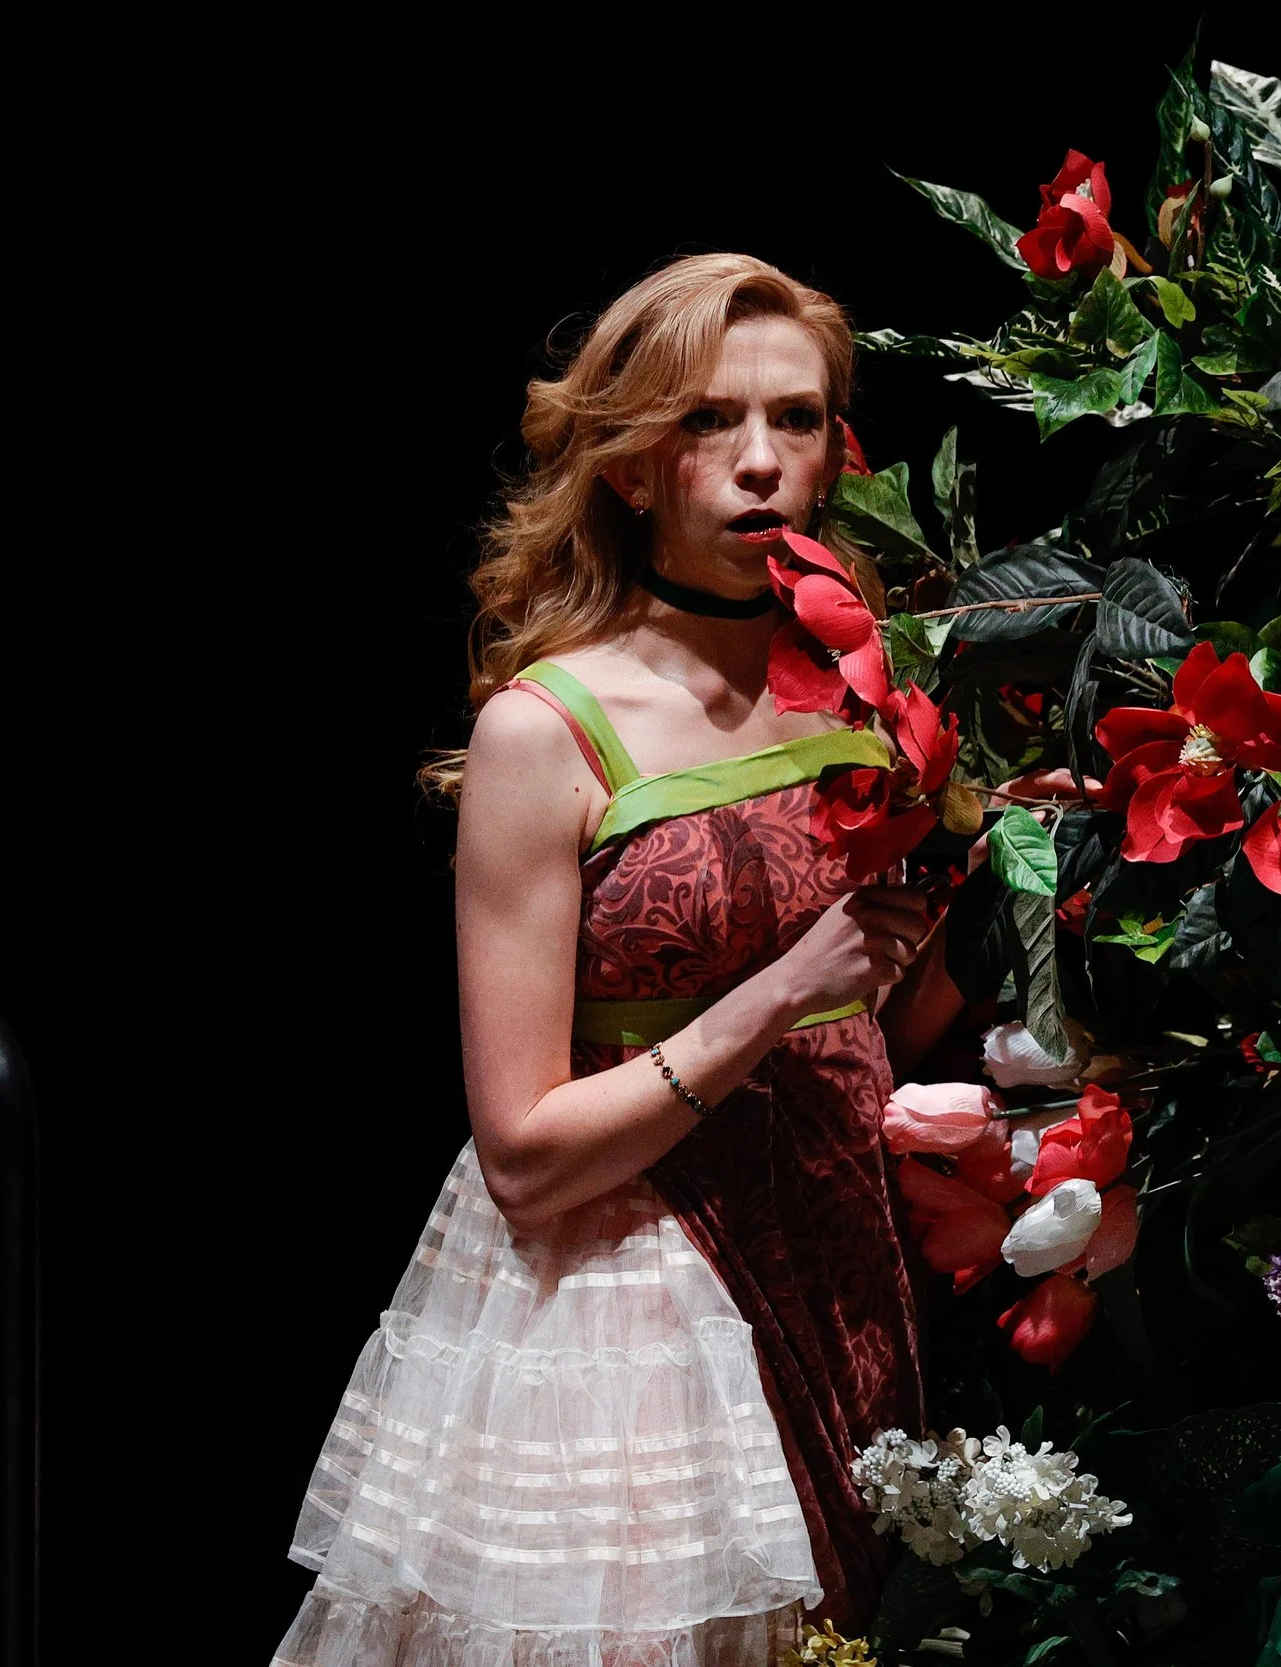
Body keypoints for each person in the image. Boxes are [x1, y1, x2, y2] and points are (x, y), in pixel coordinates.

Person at [275, 254, 963, 1664]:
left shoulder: (872, 688)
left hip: (846, 1269)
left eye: (797, 419)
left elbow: (903, 1026)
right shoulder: (548, 730)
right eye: (711, 420)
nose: (762, 461)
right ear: (635, 466)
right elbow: (524, 1157)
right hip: (641, 1315)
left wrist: (1014, 870)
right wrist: (779, 994)